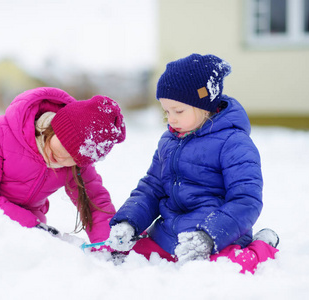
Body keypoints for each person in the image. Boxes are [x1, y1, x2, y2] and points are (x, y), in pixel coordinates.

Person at [107, 54, 279, 274]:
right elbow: (151, 188)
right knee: (117, 254)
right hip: (168, 235)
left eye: (178, 111)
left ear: (204, 105)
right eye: (166, 111)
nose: (171, 119)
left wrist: (209, 236)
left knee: (231, 268)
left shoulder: (234, 143)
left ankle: (263, 245)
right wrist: (129, 222)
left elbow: (246, 200)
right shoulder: (168, 142)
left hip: (218, 237)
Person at [0, 87, 126, 244]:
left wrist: (108, 244)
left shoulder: (74, 166)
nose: (63, 159)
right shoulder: (2, 133)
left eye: (74, 159)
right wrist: (31, 224)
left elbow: (94, 203)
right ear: (57, 126)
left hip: (24, 222)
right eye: (66, 144)